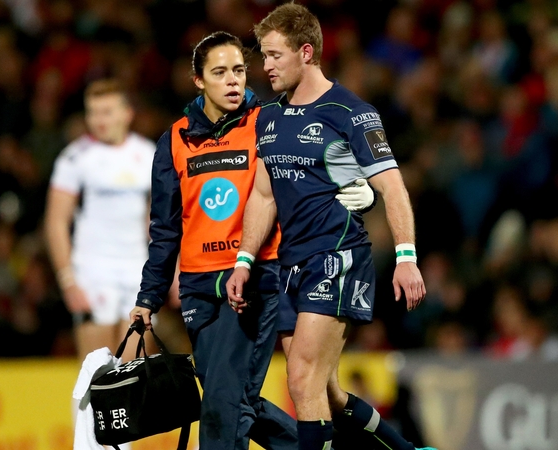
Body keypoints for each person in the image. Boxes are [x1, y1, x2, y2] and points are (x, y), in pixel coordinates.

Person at [127, 31, 374, 450]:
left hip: (256, 279)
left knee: (224, 405)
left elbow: (317, 160)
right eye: (219, 73)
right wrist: (148, 298)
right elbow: (165, 228)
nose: (233, 81)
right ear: (198, 81)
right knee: (234, 399)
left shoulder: (270, 121)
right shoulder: (174, 140)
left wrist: (355, 186)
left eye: (239, 70)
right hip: (197, 290)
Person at [226, 4, 434, 450]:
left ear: (306, 52)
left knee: (301, 379)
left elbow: (392, 187)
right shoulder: (270, 118)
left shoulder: (351, 113)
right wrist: (244, 259)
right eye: (263, 56)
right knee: (328, 393)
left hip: (338, 257)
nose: (266, 67)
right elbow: (264, 196)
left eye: (274, 56)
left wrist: (406, 258)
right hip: (291, 264)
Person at [44, 78, 155, 366]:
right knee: (96, 371)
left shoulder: (147, 154)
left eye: (107, 112)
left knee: (135, 369)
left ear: (126, 113)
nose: (99, 120)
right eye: (93, 112)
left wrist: (170, 268)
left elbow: (155, 220)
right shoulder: (75, 158)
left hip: (136, 270)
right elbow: (56, 222)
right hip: (93, 272)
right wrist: (68, 280)